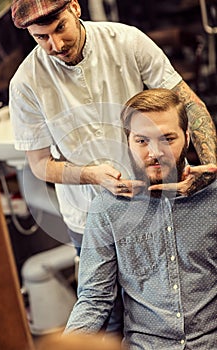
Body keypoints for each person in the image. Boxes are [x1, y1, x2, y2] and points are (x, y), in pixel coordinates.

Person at [9, 0, 217, 253]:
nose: (57, 44)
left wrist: (209, 166)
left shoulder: (127, 41)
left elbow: (191, 105)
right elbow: (40, 164)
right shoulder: (25, 83)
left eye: (61, 27)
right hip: (88, 218)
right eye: (42, 38)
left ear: (75, 8)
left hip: (157, 199)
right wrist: (91, 174)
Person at [64, 88, 217, 349]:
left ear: (188, 137)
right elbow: (94, 299)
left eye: (167, 139)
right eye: (142, 141)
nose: (155, 152)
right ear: (128, 142)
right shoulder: (108, 208)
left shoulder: (212, 197)